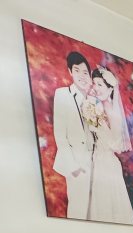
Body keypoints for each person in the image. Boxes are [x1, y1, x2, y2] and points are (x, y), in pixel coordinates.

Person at [84, 67, 133, 225]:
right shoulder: (97, 105)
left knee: (108, 207)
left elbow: (114, 143)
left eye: (100, 84)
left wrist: (92, 110)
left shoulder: (111, 111)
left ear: (110, 89)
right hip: (99, 159)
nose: (96, 88)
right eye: (94, 84)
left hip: (106, 163)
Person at [51, 52, 93, 219]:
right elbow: (60, 134)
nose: (82, 76)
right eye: (77, 71)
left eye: (85, 72)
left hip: (96, 163)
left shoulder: (93, 99)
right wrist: (73, 167)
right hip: (77, 164)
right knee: (78, 211)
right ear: (70, 72)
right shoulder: (62, 94)